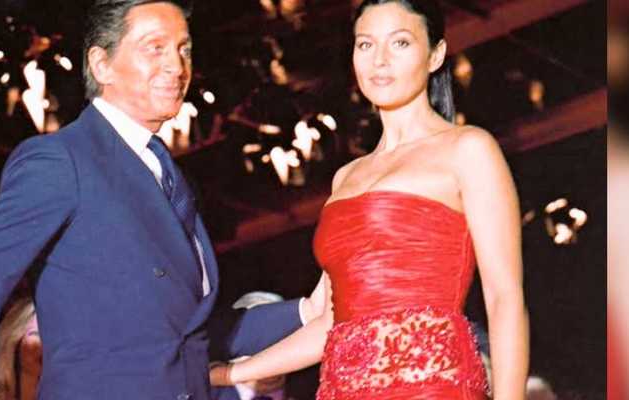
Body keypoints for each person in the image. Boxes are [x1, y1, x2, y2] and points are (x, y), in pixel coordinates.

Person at [0, 1, 325, 399]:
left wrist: (305, 311)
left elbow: (186, 337)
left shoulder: (172, 180)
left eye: (184, 49)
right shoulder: (62, 161)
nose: (176, 65)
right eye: (155, 47)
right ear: (101, 64)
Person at [209, 1, 530, 399]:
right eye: (365, 45)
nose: (379, 60)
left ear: (435, 55)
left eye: (400, 43)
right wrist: (228, 374)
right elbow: (330, 322)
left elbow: (504, 298)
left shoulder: (468, 149)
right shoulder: (346, 177)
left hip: (433, 387)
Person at [211, 292, 299, 400]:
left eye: (280, 338)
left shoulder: (304, 388)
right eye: (258, 340)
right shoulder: (205, 390)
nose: (270, 350)